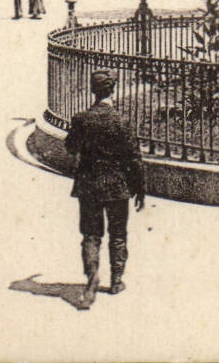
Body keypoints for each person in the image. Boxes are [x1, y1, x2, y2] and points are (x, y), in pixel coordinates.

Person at [65, 68, 145, 307]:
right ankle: (116, 281)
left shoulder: (81, 119)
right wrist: (140, 187)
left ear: (93, 90)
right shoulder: (121, 121)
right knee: (118, 233)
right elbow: (134, 158)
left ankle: (91, 280)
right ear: (113, 90)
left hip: (89, 184)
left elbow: (70, 147)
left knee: (91, 235)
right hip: (117, 186)